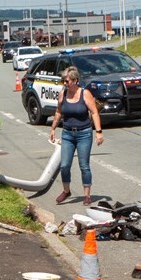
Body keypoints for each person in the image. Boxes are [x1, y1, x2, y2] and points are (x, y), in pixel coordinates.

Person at [48, 65, 104, 205]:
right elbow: (59, 112)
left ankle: (87, 195)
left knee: (84, 165)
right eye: (63, 81)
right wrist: (53, 128)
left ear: (75, 80)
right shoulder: (63, 94)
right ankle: (66, 191)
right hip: (67, 133)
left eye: (67, 81)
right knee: (64, 165)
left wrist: (98, 132)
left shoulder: (85, 94)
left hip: (84, 134)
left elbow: (94, 112)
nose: (64, 84)